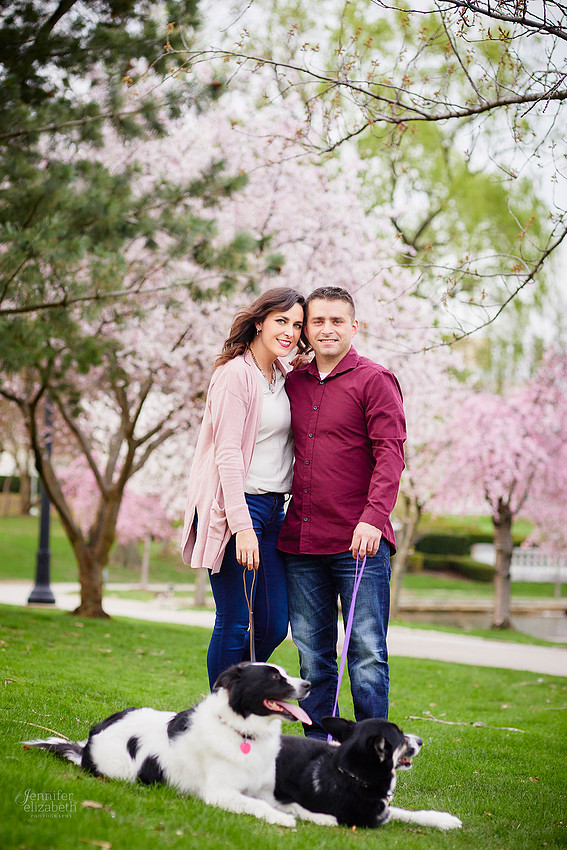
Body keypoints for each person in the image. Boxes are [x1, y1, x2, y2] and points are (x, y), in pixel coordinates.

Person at [278, 286, 406, 739]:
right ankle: (319, 751)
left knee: (367, 653)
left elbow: (391, 455)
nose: (327, 329)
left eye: (337, 321)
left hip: (360, 543)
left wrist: (373, 517)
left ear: (354, 326)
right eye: (318, 321)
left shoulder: (375, 380)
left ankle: (373, 756)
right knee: (312, 656)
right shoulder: (292, 382)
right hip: (301, 543)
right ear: (306, 331)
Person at [180, 287, 307, 689]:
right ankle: (219, 713)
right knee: (235, 621)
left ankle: (241, 695)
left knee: (271, 624)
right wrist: (242, 526)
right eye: (281, 321)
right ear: (259, 322)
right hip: (236, 507)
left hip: (273, 509)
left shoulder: (282, 377)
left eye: (297, 325)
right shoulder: (235, 374)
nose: (290, 332)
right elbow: (228, 454)